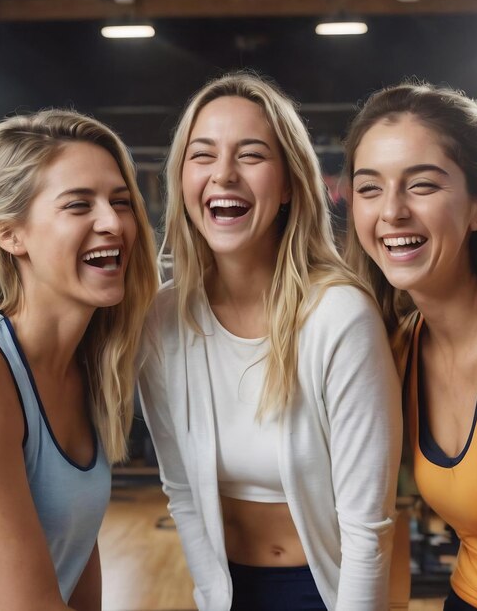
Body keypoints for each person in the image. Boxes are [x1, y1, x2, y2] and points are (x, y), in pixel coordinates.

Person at [138, 71, 402, 611]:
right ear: (181, 179)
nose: (223, 175)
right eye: (202, 155)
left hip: (321, 593)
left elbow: (367, 528)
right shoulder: (163, 317)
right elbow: (183, 493)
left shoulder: (339, 316)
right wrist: (213, 596)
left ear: (288, 184)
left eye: (251, 155)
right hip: (226, 591)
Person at [345, 82, 477, 611]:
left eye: (421, 186)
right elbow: (379, 522)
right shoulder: (399, 346)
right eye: (369, 188)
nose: (391, 211)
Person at [0, 109, 158, 610]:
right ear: (10, 234)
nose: (113, 222)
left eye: (120, 202)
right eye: (79, 205)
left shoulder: (88, 365)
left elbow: (73, 555)